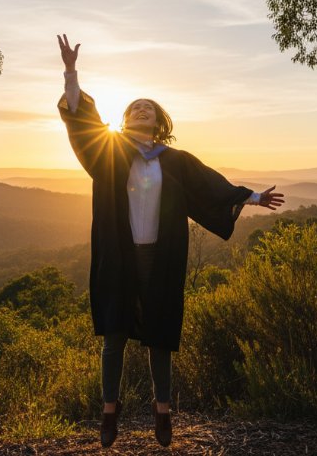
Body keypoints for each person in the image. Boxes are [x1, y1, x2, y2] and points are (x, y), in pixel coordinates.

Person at [56, 34, 284, 447]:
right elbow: (80, 120)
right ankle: (110, 412)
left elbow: (211, 186)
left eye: (149, 107)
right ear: (125, 120)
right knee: (115, 334)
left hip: (161, 257)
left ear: (159, 121)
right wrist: (71, 72)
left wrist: (251, 196)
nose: (141, 108)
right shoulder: (108, 150)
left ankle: (163, 413)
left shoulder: (174, 160)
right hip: (120, 255)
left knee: (160, 334)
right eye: (134, 106)